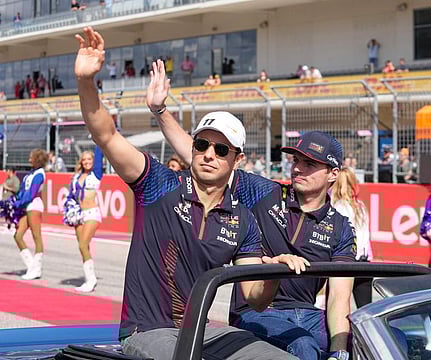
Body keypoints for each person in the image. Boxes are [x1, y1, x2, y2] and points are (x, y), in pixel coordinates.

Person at [74, 26, 307, 360]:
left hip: (202, 333)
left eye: (221, 149)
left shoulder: (243, 219)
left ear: (237, 160)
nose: (209, 154)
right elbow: (106, 134)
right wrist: (86, 81)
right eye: (202, 144)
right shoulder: (158, 184)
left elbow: (255, 297)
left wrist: (278, 270)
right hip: (147, 331)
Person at [149, 59, 356, 360]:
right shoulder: (265, 193)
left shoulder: (341, 226)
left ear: (333, 174)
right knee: (303, 346)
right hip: (257, 312)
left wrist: (340, 352)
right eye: (295, 160)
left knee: (371, 338)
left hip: (310, 315)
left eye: (309, 164)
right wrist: (160, 111)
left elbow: (339, 298)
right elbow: (205, 158)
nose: (297, 168)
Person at [331, 168, 372, 308]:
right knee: (365, 308)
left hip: (344, 263)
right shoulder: (361, 206)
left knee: (339, 306)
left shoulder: (336, 207)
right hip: (363, 261)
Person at [63, 147, 104, 292]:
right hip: (79, 214)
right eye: (84, 159)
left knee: (83, 244)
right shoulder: (75, 177)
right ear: (81, 162)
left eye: (89, 159)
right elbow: (71, 196)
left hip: (92, 213)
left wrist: (97, 137)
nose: (87, 162)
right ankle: (88, 279)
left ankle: (91, 280)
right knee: (83, 247)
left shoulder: (96, 174)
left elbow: (99, 155)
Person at [13, 149, 49, 280]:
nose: (29, 160)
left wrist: (18, 204)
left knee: (36, 236)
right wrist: (15, 201)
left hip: (34, 205)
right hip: (26, 205)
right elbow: (23, 191)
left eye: (31, 157)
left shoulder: (39, 174)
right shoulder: (30, 173)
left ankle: (37, 269)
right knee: (18, 235)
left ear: (38, 159)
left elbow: (32, 193)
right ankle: (31, 266)